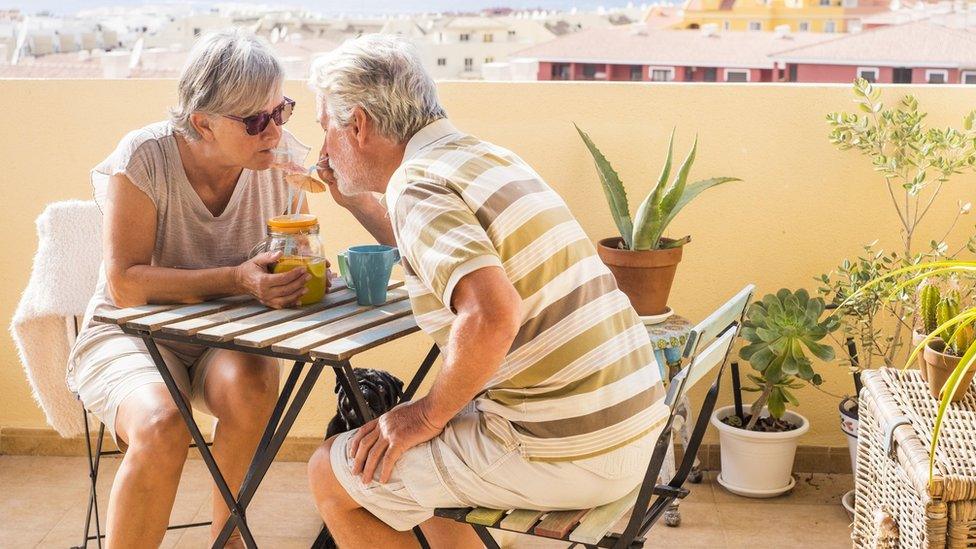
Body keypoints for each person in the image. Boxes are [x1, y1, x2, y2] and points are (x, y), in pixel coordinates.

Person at [306, 34, 667, 549]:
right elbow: (437, 250)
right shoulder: (481, 157)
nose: (323, 149)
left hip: (571, 448)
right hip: (631, 425)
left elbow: (493, 314)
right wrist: (358, 203)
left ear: (358, 124)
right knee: (420, 476)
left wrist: (424, 414)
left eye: (326, 128)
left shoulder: (417, 186)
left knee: (331, 472)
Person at [67, 28, 319, 547]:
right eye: (254, 121)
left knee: (252, 391)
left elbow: (292, 253)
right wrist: (236, 279)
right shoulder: (146, 158)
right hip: (128, 334)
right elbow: (126, 287)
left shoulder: (281, 162)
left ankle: (226, 542)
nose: (272, 132)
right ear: (202, 122)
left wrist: (297, 274)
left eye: (281, 111)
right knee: (163, 422)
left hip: (224, 333)